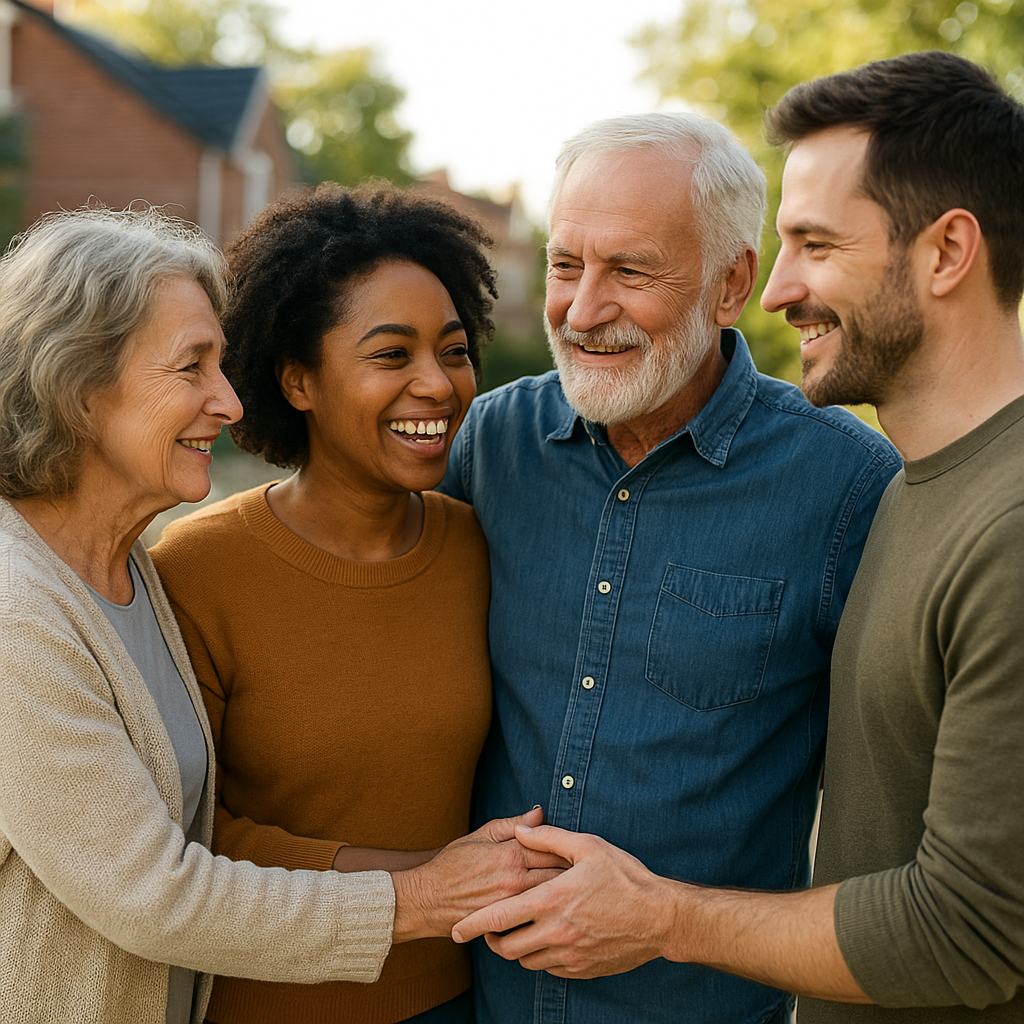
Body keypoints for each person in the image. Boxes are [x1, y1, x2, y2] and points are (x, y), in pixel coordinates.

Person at [452, 51, 1024, 1023]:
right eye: (562, 264)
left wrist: (659, 917)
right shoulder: (487, 445)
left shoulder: (861, 490)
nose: (581, 309)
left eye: (629, 269)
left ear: (727, 286)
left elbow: (962, 910)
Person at [0, 205, 559, 1024]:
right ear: (80, 386)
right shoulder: (22, 615)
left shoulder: (124, 574)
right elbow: (159, 889)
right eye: (192, 367)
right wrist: (422, 893)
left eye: (222, 365)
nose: (229, 402)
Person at [149, 182, 515, 1024]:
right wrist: (426, 878)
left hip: (455, 1001)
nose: (437, 384)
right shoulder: (201, 567)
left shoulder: (481, 549)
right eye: (392, 356)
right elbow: (193, 832)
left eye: (454, 351)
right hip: (263, 1002)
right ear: (298, 380)